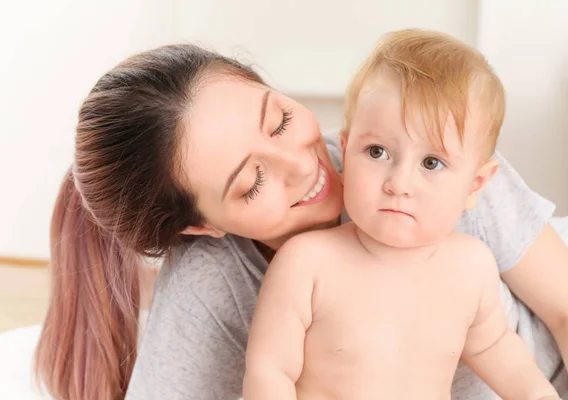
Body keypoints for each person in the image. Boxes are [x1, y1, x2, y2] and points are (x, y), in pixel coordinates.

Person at [33, 41, 568, 400]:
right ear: (201, 226)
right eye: (252, 183)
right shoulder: (216, 284)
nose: (302, 165)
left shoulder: (434, 162)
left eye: (281, 119)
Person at [242, 29, 560, 400]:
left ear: (475, 185)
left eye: (431, 162)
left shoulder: (471, 266)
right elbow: (270, 369)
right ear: (345, 152)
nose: (399, 183)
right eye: (376, 152)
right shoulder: (307, 262)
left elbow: (496, 349)